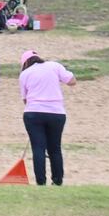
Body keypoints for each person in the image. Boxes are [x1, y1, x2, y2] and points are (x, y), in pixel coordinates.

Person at [19, 50, 76, 186]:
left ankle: (41, 182)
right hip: (56, 113)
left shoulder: (24, 74)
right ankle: (57, 181)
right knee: (55, 148)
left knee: (38, 148)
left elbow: (25, 100)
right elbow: (72, 81)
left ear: (26, 63)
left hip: (33, 113)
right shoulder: (54, 66)